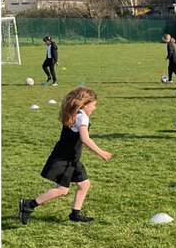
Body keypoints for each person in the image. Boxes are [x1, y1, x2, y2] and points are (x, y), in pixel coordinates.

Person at [19, 87, 111, 226]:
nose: (95, 108)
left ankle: (75, 214)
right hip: (65, 159)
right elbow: (85, 139)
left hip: (71, 158)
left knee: (84, 184)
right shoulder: (82, 117)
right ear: (85, 104)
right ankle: (29, 205)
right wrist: (101, 152)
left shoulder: (75, 113)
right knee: (62, 190)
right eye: (94, 104)